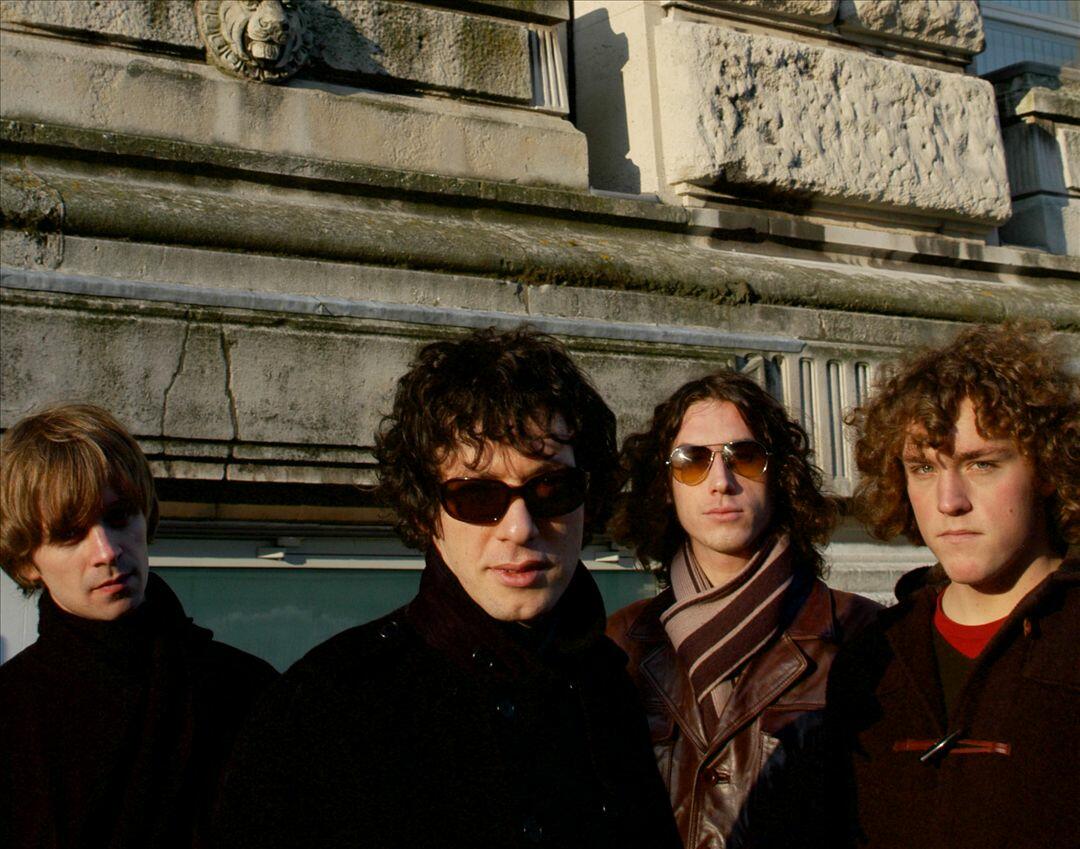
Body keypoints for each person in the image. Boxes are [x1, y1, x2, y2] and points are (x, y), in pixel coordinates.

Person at [215, 327, 681, 849]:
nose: (519, 527)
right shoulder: (326, 708)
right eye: (477, 496)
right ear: (427, 513)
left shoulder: (609, 688)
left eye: (551, 488)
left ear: (587, 499)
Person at [828, 323, 1079, 848]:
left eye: (981, 464)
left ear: (1047, 468)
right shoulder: (871, 657)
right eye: (923, 468)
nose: (949, 501)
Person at [606, 371, 880, 849]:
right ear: (666, 485)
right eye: (692, 460)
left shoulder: (859, 634)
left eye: (745, 456)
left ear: (780, 476)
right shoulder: (620, 644)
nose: (721, 482)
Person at [0, 404, 278, 849]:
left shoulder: (244, 692)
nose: (107, 551)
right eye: (70, 534)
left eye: (118, 517)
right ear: (26, 560)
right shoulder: (13, 718)